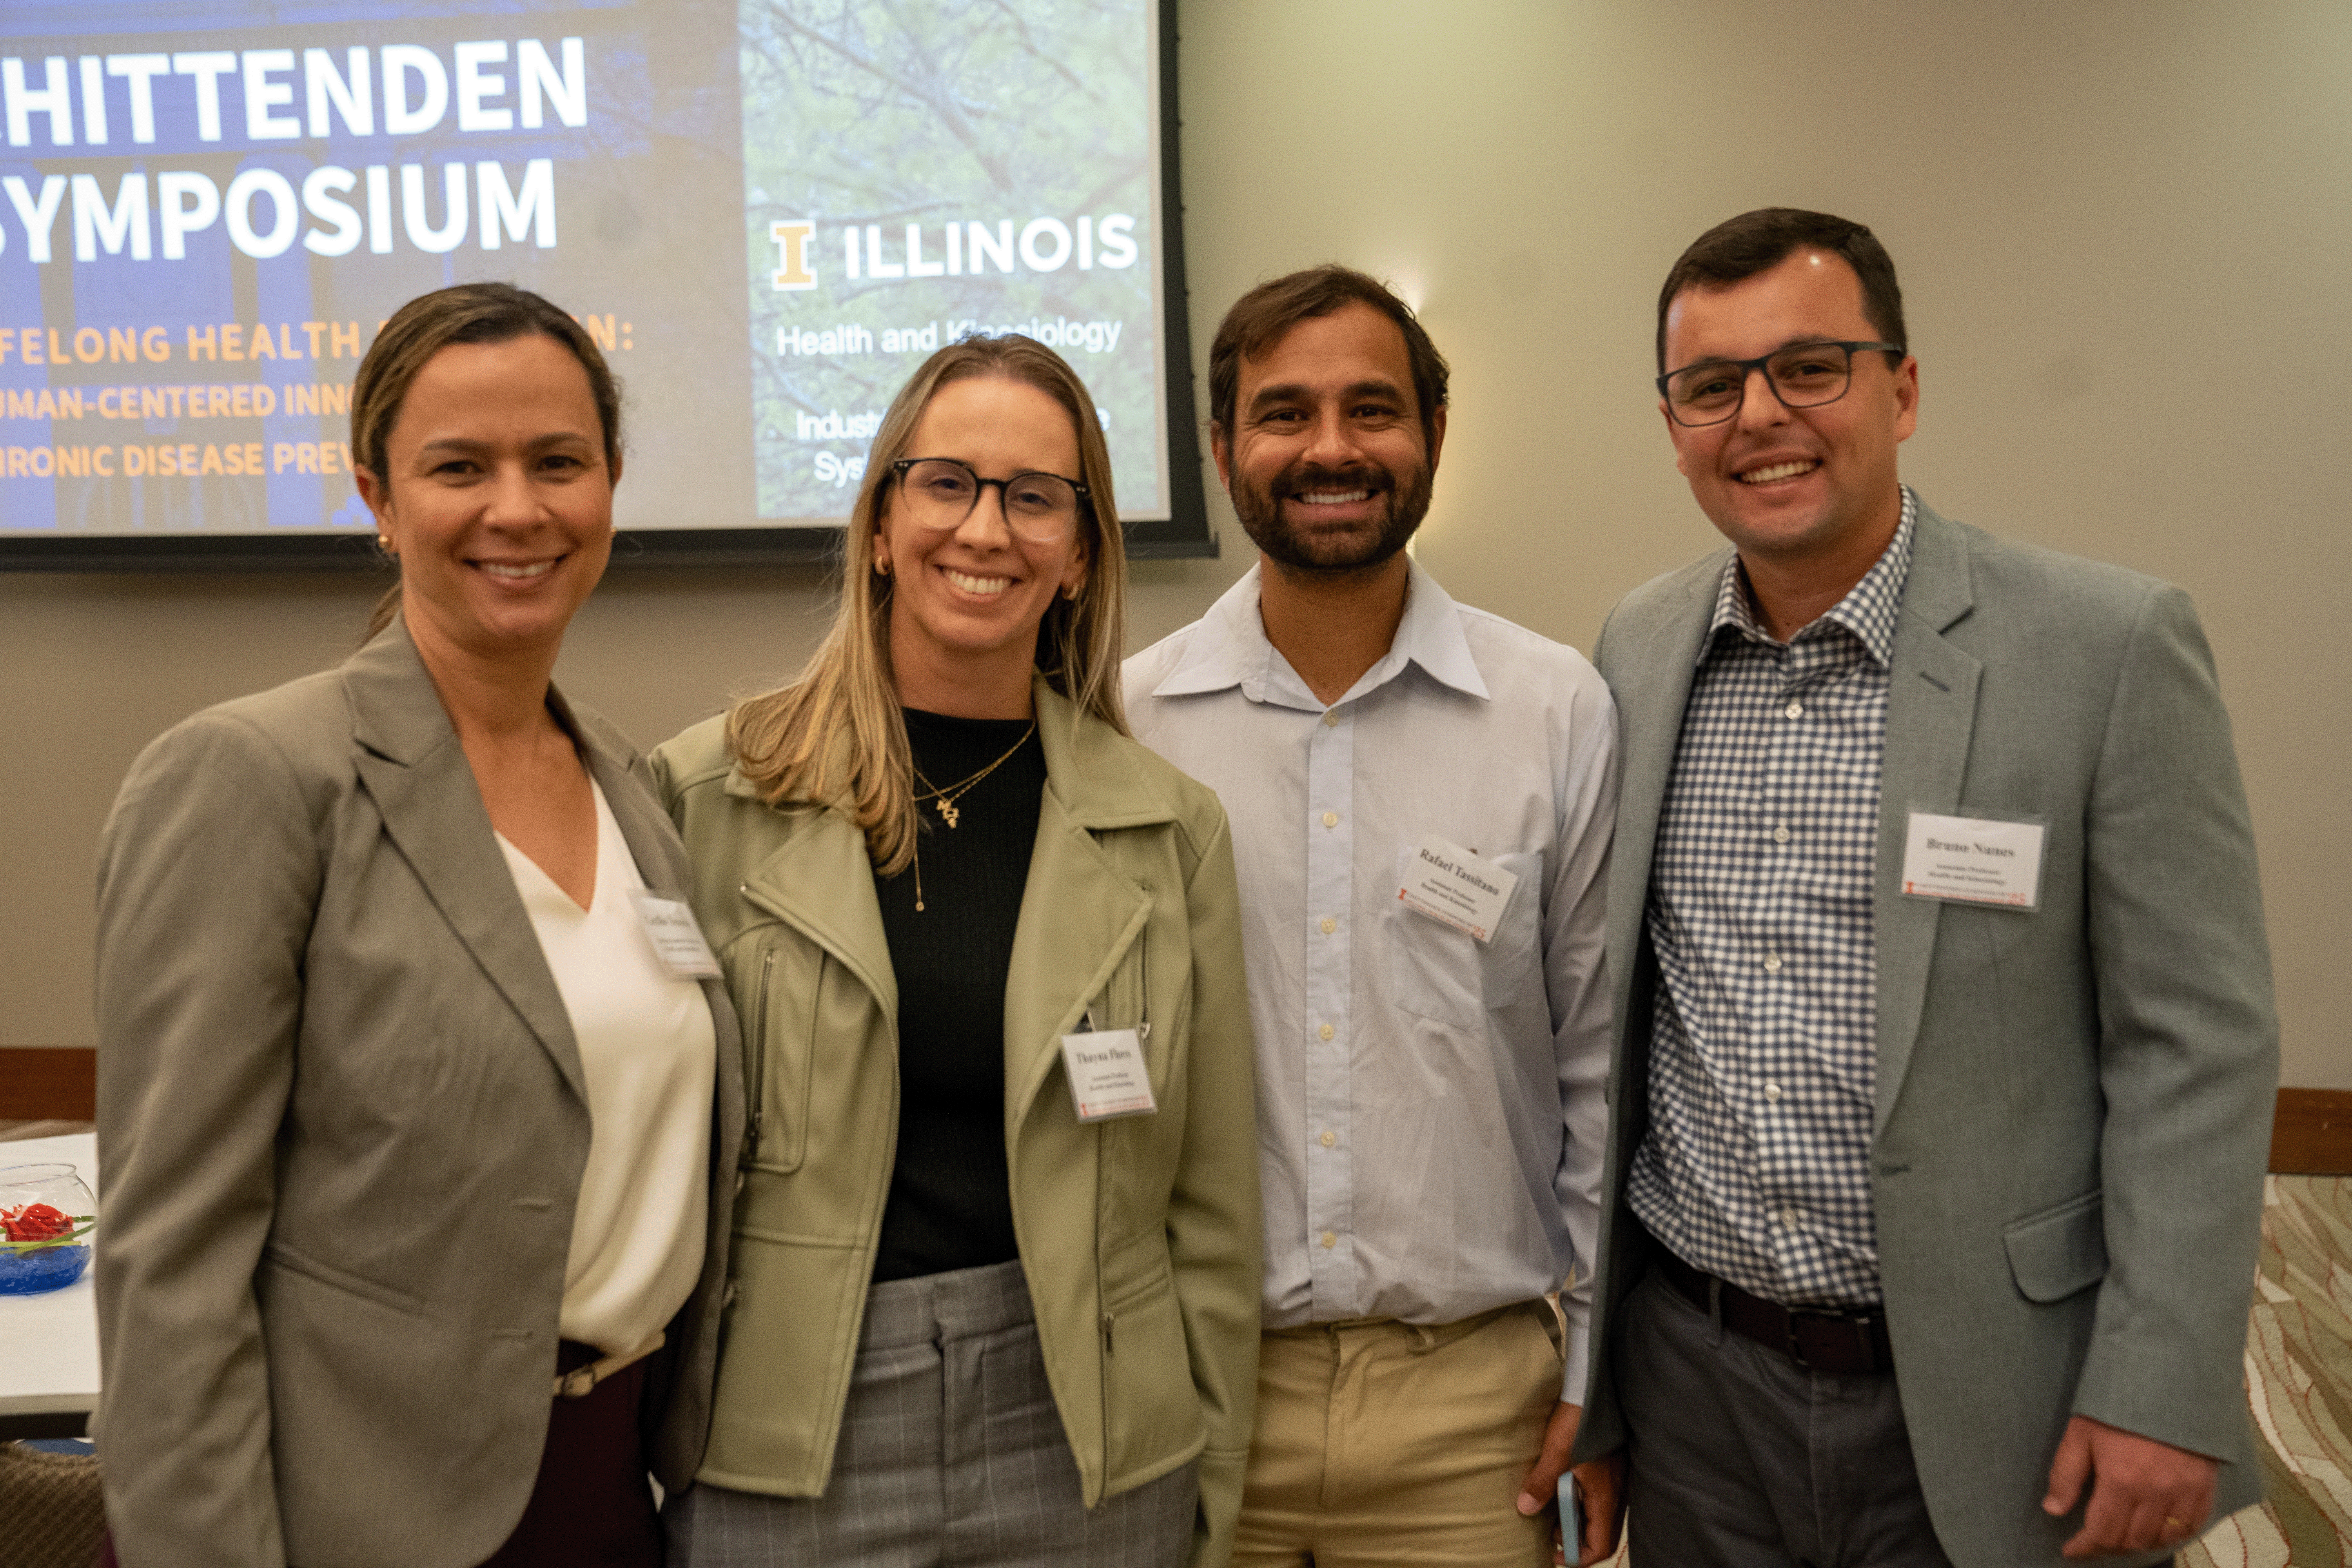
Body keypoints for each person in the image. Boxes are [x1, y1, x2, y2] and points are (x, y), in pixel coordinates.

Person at [1569, 209, 2278, 1566]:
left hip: (1995, 1387)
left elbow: (2200, 1044)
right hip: (1699, 1384)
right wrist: (1599, 1392)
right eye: (1711, 386)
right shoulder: (1639, 646)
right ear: (1672, 425)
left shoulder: (2106, 647)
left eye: (1811, 368)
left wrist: (2162, 1383)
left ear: (1902, 387)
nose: (1760, 416)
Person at [91, 283, 744, 1568]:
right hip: (344, 1511)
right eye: (459, 467)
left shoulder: (633, 788)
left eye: (559, 462)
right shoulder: (257, 778)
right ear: (378, 500)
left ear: (610, 482)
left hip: (604, 1493)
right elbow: (171, 1262)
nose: (517, 509)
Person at [651, 334, 1261, 1567]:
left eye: (1036, 497)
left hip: (1086, 1428)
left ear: (1081, 554)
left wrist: (1215, 1481)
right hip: (788, 1429)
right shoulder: (705, 795)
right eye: (947, 484)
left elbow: (1210, 1211)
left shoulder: (1167, 829)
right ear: (880, 523)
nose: (986, 530)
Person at [1123, 265, 1625, 1567]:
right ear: (1224, 448)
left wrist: (1597, 1374)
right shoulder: (1128, 723)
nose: (1331, 448)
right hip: (1196, 1400)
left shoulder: (1553, 709)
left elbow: (1602, 1067)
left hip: (1475, 1421)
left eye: (1372, 409)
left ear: (1435, 437)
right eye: (1284, 413)